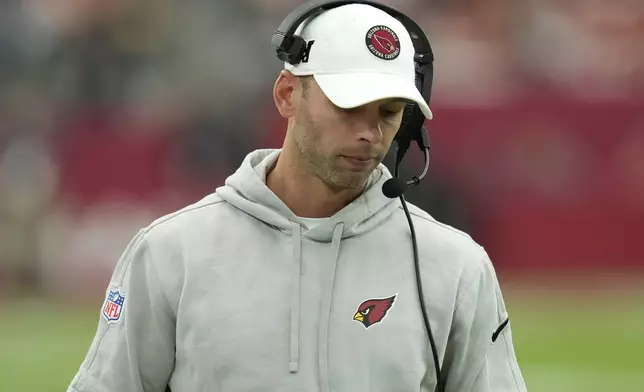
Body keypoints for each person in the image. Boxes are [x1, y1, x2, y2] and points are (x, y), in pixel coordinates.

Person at [67, 3, 527, 392]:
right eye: (348, 108)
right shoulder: (171, 253)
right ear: (287, 94)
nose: (370, 134)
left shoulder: (456, 267)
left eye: (389, 113)